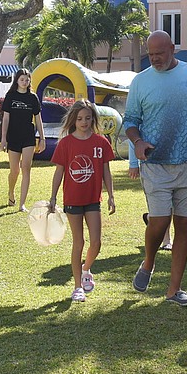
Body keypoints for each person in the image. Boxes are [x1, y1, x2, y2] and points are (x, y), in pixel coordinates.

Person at [123, 30, 187, 307]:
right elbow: (130, 120)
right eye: (151, 55)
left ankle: (174, 290)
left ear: (173, 49)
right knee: (159, 221)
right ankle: (149, 262)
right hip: (155, 165)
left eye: (160, 53)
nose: (155, 59)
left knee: (184, 224)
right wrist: (138, 141)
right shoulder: (141, 81)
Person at [48, 99, 115, 303]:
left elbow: (106, 170)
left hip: (93, 200)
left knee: (96, 242)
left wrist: (111, 195)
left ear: (93, 119)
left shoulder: (101, 142)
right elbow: (59, 172)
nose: (84, 122)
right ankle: (78, 287)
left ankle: (86, 269)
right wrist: (53, 197)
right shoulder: (66, 143)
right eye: (79, 119)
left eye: (87, 118)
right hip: (73, 200)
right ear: (73, 120)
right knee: (79, 242)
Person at [0, 68, 45, 212]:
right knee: (15, 171)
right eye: (22, 80)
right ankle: (11, 192)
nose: (25, 82)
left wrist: (42, 139)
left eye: (27, 80)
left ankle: (22, 204)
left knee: (26, 168)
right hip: (13, 136)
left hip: (28, 137)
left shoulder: (33, 98)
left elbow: (38, 118)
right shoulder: (10, 96)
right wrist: (3, 139)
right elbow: (6, 119)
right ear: (17, 81)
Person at [128, 141, 172, 250]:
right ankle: (166, 240)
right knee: (163, 205)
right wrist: (133, 163)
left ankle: (151, 218)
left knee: (172, 205)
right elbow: (132, 138)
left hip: (175, 163)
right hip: (151, 166)